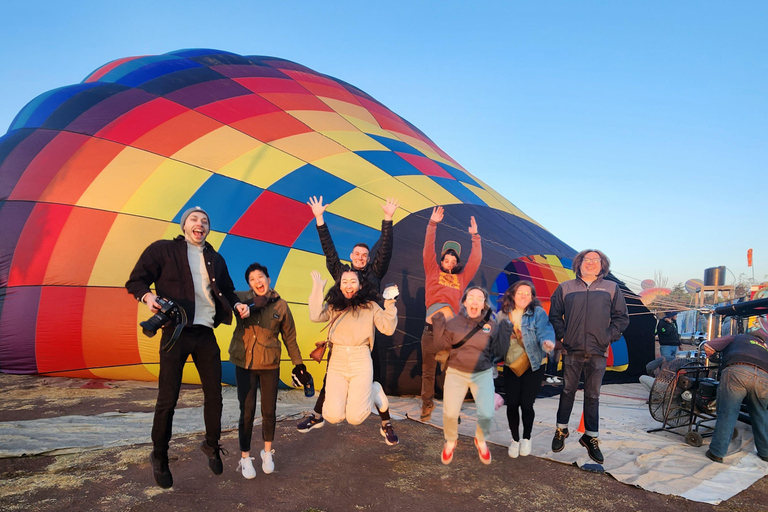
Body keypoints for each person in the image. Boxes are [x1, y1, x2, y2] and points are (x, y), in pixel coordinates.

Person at [125, 207, 249, 489]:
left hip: (204, 331)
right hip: (174, 331)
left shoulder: (215, 258)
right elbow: (136, 280)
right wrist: (146, 296)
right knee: (168, 398)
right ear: (184, 226)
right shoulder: (163, 250)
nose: (200, 223)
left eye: (205, 221)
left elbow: (227, 291)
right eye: (194, 219)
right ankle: (159, 455)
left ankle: (211, 444)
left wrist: (237, 304)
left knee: (214, 395)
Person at [298, 195, 400, 445]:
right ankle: (319, 414)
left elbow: (385, 252)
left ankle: (385, 423)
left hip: (369, 335)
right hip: (342, 340)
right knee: (330, 380)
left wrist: (387, 219)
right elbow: (329, 252)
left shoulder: (374, 275)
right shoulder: (342, 273)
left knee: (375, 381)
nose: (361, 257)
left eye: (365, 254)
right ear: (351, 257)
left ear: (368, 258)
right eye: (357, 254)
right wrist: (320, 219)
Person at [548, 249, 629, 464]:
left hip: (598, 351)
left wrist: (607, 336)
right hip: (572, 350)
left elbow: (622, 318)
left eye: (596, 260)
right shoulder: (565, 287)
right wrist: (563, 336)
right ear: (579, 263)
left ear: (603, 265)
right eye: (587, 259)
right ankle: (561, 430)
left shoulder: (611, 288)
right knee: (567, 390)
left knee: (593, 396)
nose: (591, 263)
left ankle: (590, 437)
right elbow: (554, 315)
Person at [228, 262, 307, 479]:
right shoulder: (241, 299)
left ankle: (267, 451)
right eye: (252, 279)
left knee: (269, 410)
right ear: (249, 284)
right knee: (247, 411)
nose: (257, 282)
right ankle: (245, 457)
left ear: (268, 279)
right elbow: (223, 298)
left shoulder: (280, 305)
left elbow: (289, 337)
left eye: (260, 277)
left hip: (270, 365)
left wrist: (299, 364)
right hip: (244, 363)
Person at [308, 268, 398, 428]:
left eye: (353, 282)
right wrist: (317, 288)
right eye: (345, 282)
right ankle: (324, 414)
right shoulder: (334, 306)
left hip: (360, 358)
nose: (348, 285)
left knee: (355, 418)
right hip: (337, 359)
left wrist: (390, 303)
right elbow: (315, 316)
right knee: (333, 416)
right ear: (340, 286)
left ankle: (375, 391)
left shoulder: (370, 307)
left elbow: (387, 328)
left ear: (360, 285)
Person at [431, 286, 505, 465]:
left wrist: (506, 332)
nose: (474, 301)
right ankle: (451, 441)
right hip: (456, 373)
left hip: (482, 373)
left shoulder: (491, 325)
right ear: (464, 302)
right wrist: (439, 323)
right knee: (450, 413)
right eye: (471, 297)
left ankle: (480, 440)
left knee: (487, 414)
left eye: (479, 298)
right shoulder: (453, 323)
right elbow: (440, 346)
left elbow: (499, 351)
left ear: (484, 304)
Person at [420, 206, 482, 421]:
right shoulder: (432, 272)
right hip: (430, 330)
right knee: (428, 371)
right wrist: (432, 224)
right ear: (441, 260)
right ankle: (426, 404)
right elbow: (428, 249)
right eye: (447, 259)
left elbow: (475, 260)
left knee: (450, 374)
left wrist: (475, 236)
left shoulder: (461, 278)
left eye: (454, 261)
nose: (450, 263)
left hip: (449, 332)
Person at [494, 281, 556, 458]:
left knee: (527, 404)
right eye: (520, 292)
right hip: (511, 365)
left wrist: (547, 342)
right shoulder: (503, 315)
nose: (523, 296)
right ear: (513, 295)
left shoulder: (538, 313)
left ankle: (527, 438)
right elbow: (494, 336)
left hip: (534, 365)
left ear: (532, 297)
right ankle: (515, 439)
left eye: (527, 293)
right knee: (512, 404)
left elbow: (546, 330)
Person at [702, 328, 768, 464]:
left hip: (737, 371)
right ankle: (765, 453)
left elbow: (708, 345)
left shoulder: (738, 338)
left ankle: (717, 452)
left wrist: (713, 357)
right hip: (764, 378)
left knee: (728, 413)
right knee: (761, 415)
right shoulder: (765, 348)